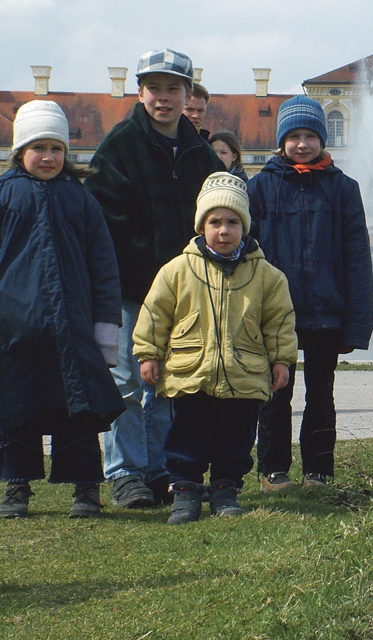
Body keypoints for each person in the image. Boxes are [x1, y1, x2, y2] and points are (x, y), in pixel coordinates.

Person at [86, 49, 224, 509]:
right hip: (130, 289)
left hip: (182, 295)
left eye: (172, 89)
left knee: (168, 384)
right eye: (154, 88)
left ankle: (161, 468)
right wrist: (149, 264)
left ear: (187, 93)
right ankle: (125, 472)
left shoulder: (200, 152)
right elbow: (105, 222)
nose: (163, 98)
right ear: (140, 90)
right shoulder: (119, 145)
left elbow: (217, 215)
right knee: (126, 383)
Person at [133, 172, 297, 524]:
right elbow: (155, 312)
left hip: (244, 374)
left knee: (235, 438)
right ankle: (186, 491)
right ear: (201, 226)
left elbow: (279, 322)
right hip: (192, 373)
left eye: (233, 222)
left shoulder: (268, 276)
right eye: (215, 222)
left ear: (245, 227)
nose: (224, 230)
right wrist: (149, 352)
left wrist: (282, 360)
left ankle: (226, 489)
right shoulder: (177, 270)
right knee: (186, 437)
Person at [0, 101, 125, 519]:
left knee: (79, 412)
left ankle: (86, 490)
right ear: (21, 152)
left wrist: (106, 330)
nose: (49, 157)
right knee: (15, 409)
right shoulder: (5, 195)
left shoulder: (81, 199)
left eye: (56, 147)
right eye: (39, 148)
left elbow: (104, 265)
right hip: (14, 329)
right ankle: (16, 487)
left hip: (73, 329)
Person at [248, 94, 373, 491]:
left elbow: (357, 259)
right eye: (294, 136)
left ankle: (319, 470)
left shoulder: (343, 189)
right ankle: (273, 469)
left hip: (325, 309)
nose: (302, 144)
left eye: (310, 135)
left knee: (321, 394)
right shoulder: (260, 188)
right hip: (275, 313)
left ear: (322, 139)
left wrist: (355, 327)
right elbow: (247, 256)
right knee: (274, 394)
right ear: (282, 140)